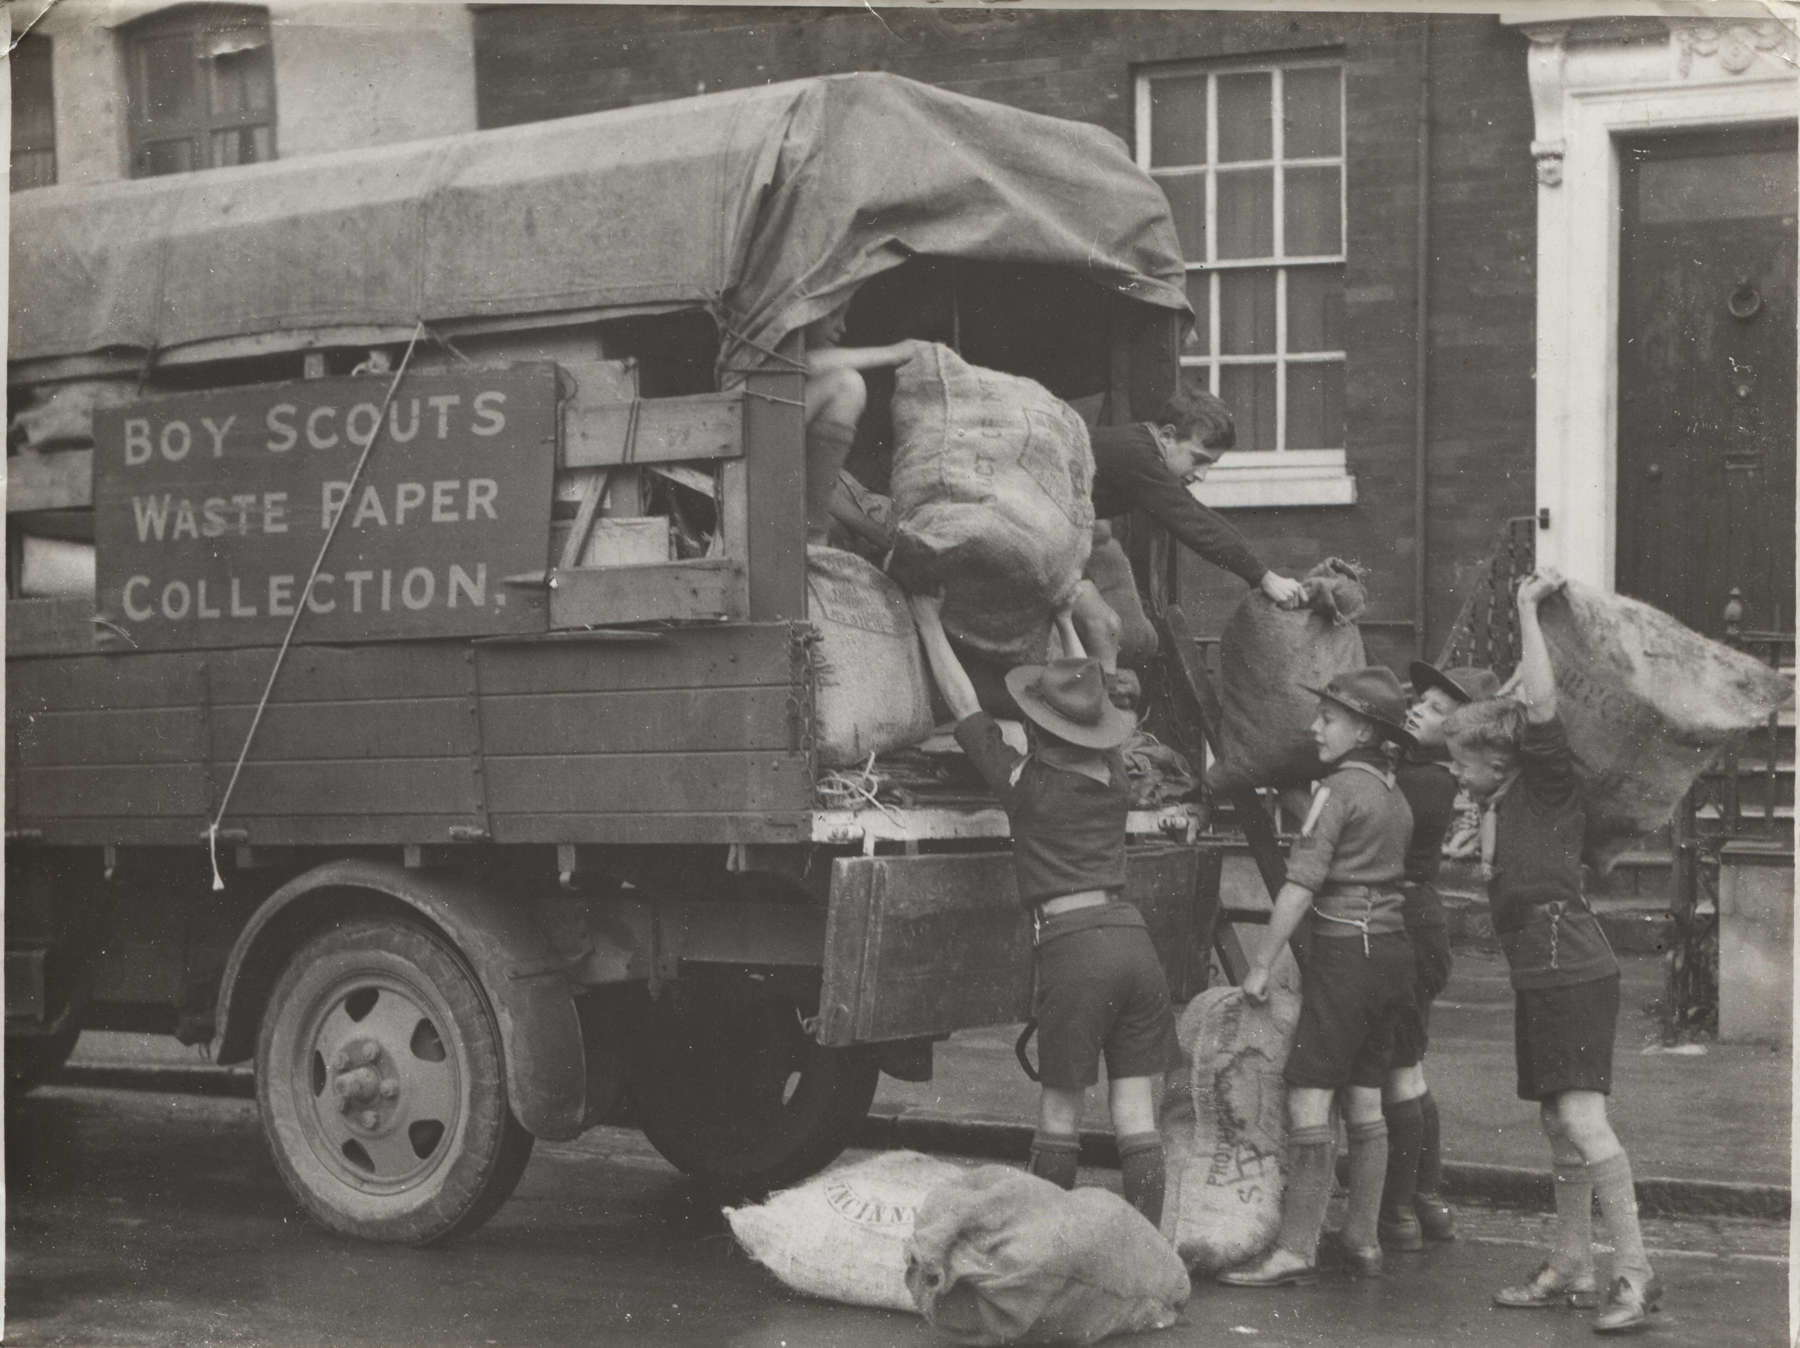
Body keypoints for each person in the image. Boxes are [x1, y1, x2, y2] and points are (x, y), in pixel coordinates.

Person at [908, 588, 1178, 1229]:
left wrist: (926, 620)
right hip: (1134, 945)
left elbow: (964, 703)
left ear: (1034, 726)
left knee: (1061, 1115)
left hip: (1074, 949)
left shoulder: (1024, 785)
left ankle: (1044, 1249)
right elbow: (1095, 699)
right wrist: (1063, 618)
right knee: (1136, 1119)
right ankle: (1148, 1250)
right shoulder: (1114, 771)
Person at [1443, 570, 1659, 1334]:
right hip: (1544, 971)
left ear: (1500, 763)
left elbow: (1538, 705)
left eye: (1463, 763)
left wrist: (1526, 610)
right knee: (1556, 1124)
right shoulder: (1503, 807)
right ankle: (1572, 1263)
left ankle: (1633, 1273)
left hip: (1571, 966)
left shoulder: (1547, 783)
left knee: (1582, 1118)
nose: (1456, 775)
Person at [1217, 667, 1417, 1286]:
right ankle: (1361, 1241)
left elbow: (1300, 887)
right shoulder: (1392, 791)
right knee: (1365, 1092)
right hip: (1391, 950)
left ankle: (1296, 1248)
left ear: (1361, 728)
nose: (1315, 727)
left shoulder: (1338, 791)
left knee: (1308, 1092)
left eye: (1328, 718)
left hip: (1343, 955)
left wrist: (1259, 965)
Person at [1376, 661, 1500, 1251]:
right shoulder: (1421, 770)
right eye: (1419, 699)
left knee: (1399, 1067)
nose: (1419, 708)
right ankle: (1427, 1203)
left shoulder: (1420, 781)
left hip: (1404, 922)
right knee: (1411, 1065)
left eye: (1436, 707)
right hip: (1421, 920)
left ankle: (1398, 1213)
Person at [1088, 389, 1304, 611]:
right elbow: (1194, 522)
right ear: (1167, 436)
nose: (1201, 475)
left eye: (1209, 465)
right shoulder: (1136, 454)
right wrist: (1264, 578)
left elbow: (1195, 512)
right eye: (1198, 460)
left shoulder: (1141, 446)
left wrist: (1262, 573)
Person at [800, 301, 922, 546]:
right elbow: (800, 364)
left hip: (796, 506)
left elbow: (817, 484)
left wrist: (878, 534)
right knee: (847, 383)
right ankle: (812, 538)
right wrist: (896, 352)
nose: (842, 328)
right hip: (762, 503)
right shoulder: (773, 369)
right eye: (833, 314)